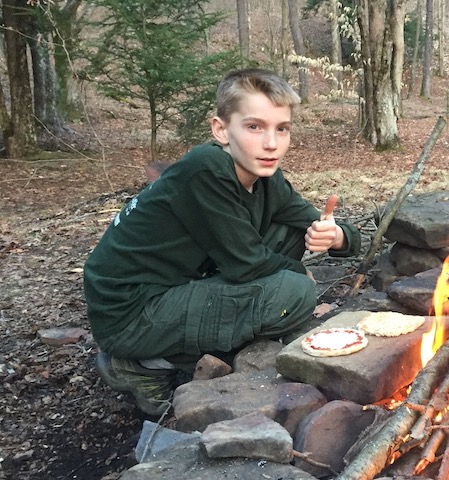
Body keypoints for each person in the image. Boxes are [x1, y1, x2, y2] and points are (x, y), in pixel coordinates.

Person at [83, 68, 361, 416]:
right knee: (295, 293)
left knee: (288, 235)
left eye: (282, 129)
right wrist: (299, 276)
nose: (271, 143)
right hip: (130, 312)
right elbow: (247, 263)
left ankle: (218, 343)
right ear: (220, 129)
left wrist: (336, 235)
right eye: (254, 127)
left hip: (179, 284)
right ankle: (141, 364)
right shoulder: (207, 168)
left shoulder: (265, 176)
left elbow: (315, 221)